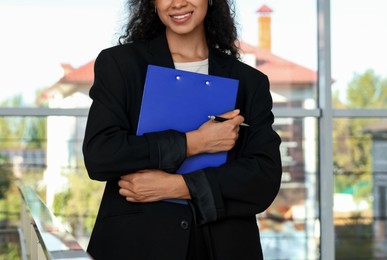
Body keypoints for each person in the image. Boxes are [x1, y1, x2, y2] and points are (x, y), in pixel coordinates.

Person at [82, 0, 282, 259]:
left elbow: (263, 179)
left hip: (222, 247)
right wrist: (194, 142)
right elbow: (101, 155)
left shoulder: (248, 82)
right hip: (137, 243)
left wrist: (178, 186)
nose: (178, 3)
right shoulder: (121, 65)